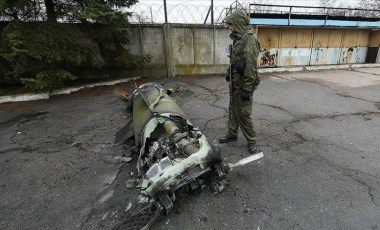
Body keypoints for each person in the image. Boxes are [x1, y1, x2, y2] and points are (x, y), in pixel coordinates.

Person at [219, 10, 261, 154]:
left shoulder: (249, 39)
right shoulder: (238, 38)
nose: (228, 27)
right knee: (233, 108)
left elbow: (250, 66)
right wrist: (228, 73)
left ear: (237, 23)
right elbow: (236, 61)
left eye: (231, 24)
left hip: (244, 83)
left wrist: (247, 89)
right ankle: (232, 133)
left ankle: (252, 140)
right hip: (236, 81)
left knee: (243, 112)